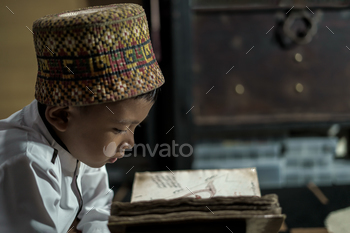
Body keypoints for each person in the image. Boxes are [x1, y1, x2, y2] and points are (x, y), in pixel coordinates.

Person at [0, 3, 165, 233]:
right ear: (61, 116)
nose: (130, 143)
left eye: (135, 127)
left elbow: (98, 210)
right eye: (119, 130)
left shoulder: (81, 141)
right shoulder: (27, 160)